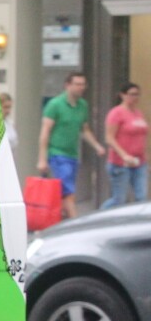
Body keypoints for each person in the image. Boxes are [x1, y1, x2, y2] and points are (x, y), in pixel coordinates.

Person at [36, 72, 105, 220]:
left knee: (63, 192)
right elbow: (45, 132)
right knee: (68, 192)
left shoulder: (82, 105)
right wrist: (42, 159)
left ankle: (55, 220)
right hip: (57, 153)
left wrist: (96, 145)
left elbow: (84, 129)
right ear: (67, 85)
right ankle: (75, 222)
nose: (81, 88)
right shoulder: (55, 104)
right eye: (77, 84)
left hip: (73, 154)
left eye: (83, 84)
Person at [101, 83, 147, 209]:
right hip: (120, 163)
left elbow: (141, 136)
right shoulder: (116, 113)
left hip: (139, 162)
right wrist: (124, 155)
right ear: (122, 95)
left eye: (137, 94)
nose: (135, 97)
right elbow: (109, 137)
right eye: (131, 94)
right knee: (119, 200)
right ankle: (98, 218)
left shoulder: (138, 113)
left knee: (141, 197)